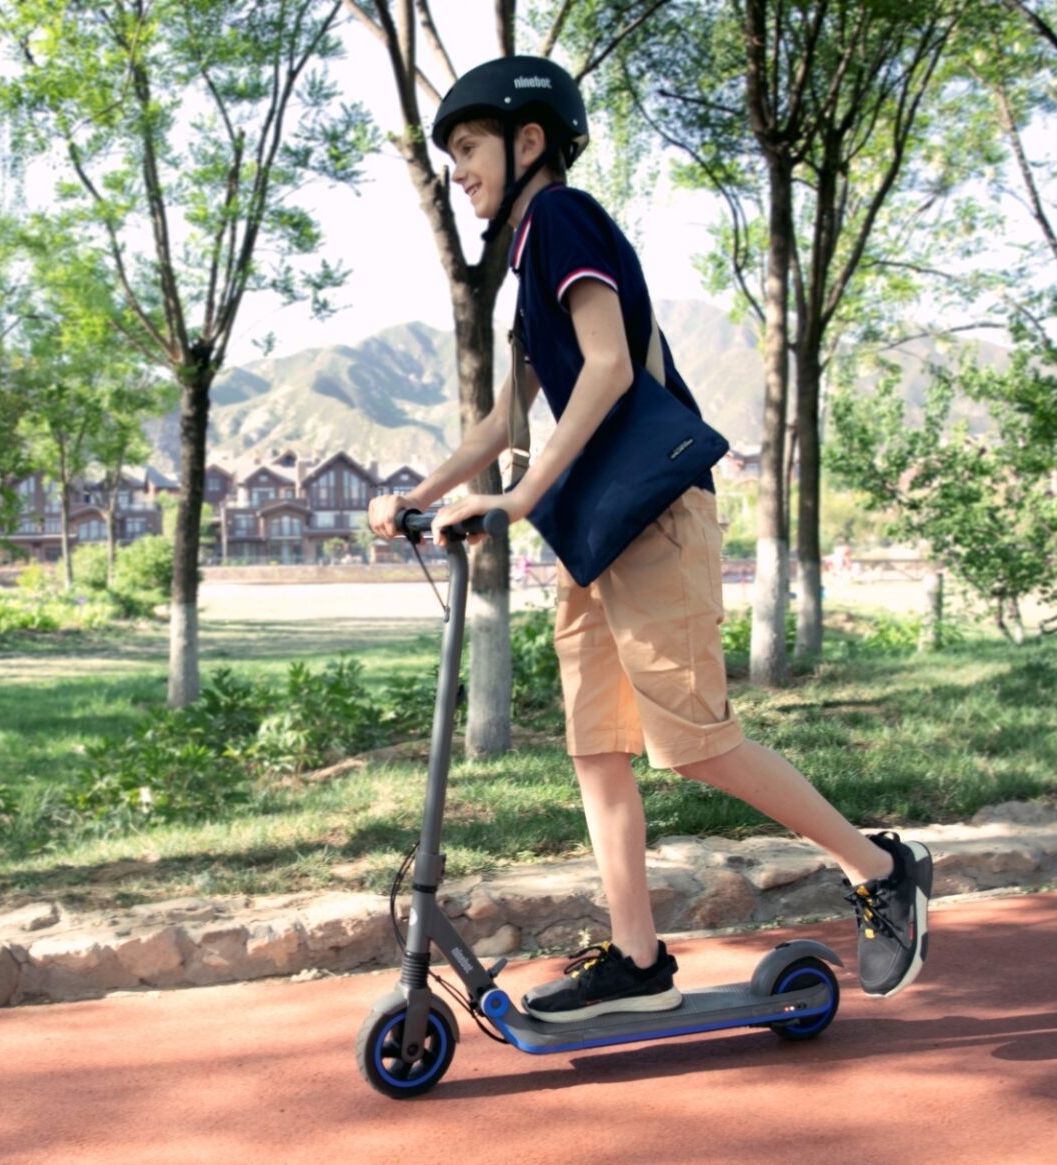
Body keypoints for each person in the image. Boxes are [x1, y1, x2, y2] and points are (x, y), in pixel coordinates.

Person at [366, 56, 931, 1023]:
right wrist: (418, 492)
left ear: (527, 140)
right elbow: (506, 423)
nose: (458, 171)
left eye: (467, 149)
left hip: (655, 517)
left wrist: (514, 499)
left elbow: (611, 367)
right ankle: (636, 958)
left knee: (695, 743)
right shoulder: (525, 263)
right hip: (593, 536)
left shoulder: (562, 218)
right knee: (597, 749)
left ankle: (883, 869)